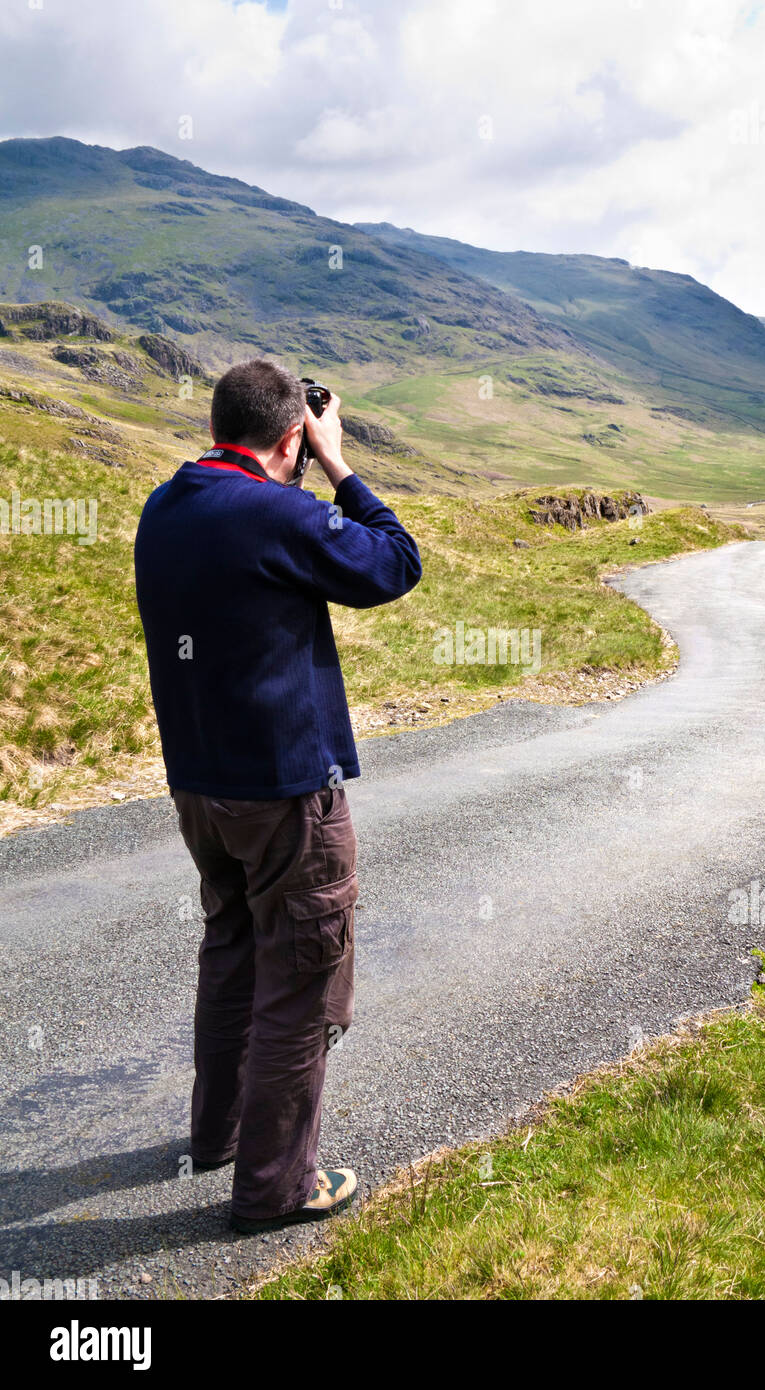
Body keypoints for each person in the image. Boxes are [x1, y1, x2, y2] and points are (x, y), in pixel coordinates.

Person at [133, 358, 421, 1234]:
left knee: (231, 955)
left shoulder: (166, 504)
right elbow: (393, 565)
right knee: (300, 975)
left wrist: (306, 449)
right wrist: (339, 464)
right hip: (287, 791)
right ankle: (274, 1187)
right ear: (290, 433)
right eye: (304, 434)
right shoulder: (278, 508)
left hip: (200, 788)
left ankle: (216, 1136)